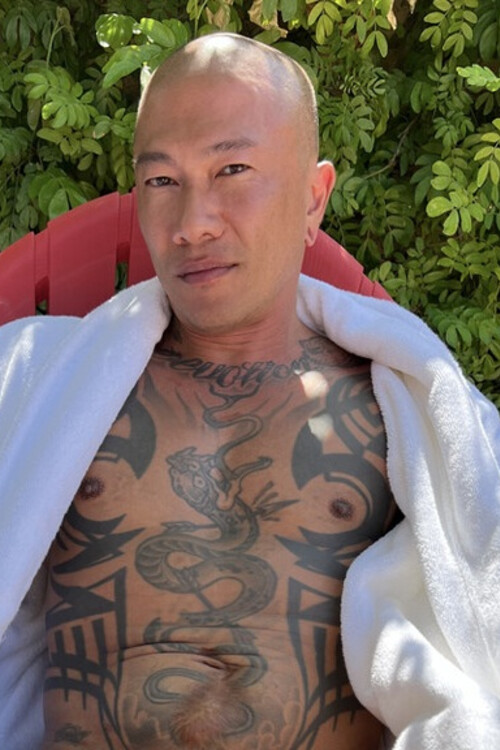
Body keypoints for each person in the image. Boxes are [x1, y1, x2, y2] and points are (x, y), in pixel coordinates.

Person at [0, 32, 499, 750]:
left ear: (312, 199)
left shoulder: (399, 413)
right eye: (161, 181)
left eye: (232, 169)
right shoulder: (42, 389)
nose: (192, 225)